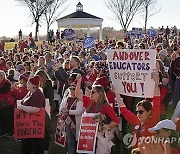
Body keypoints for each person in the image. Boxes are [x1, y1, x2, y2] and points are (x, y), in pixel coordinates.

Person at [114, 69, 160, 147]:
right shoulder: (137, 121)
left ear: (149, 112)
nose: (138, 114)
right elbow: (124, 110)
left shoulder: (153, 122)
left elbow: (156, 102)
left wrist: (156, 84)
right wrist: (116, 93)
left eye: (141, 112)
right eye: (137, 112)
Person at [75, 74, 120, 153]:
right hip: (89, 136)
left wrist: (105, 128)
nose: (90, 93)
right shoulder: (89, 101)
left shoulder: (105, 106)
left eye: (93, 92)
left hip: (100, 137)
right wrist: (78, 81)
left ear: (99, 94)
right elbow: (77, 95)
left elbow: (116, 120)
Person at [18, 75, 50, 154]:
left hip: (35, 125)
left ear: (34, 86)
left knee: (36, 147)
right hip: (28, 125)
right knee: (26, 147)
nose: (27, 84)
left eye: (29, 83)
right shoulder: (30, 93)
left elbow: (36, 109)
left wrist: (22, 107)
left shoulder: (38, 94)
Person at [59, 82, 85, 154]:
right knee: (70, 142)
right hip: (68, 123)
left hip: (78, 124)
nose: (72, 90)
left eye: (74, 89)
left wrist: (68, 111)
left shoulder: (81, 99)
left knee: (79, 142)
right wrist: (63, 111)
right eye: (70, 89)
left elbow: (79, 111)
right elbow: (61, 107)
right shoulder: (67, 98)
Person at [0, 70, 14, 137]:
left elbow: (4, 91)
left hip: (7, 103)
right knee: (2, 118)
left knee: (7, 118)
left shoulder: (7, 82)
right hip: (2, 103)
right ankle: (3, 132)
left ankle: (10, 132)